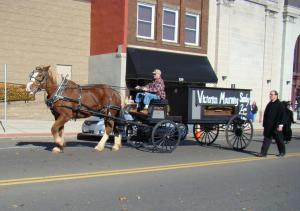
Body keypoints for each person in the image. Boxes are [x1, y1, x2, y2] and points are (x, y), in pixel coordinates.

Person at [257, 90, 286, 157]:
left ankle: (282, 152)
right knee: (266, 139)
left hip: (276, 126)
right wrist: (264, 124)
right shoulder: (269, 104)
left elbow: (282, 115)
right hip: (269, 126)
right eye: (270, 94)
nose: (270, 96)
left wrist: (281, 125)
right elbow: (265, 114)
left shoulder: (280, 104)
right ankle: (263, 153)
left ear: (276, 95)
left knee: (279, 140)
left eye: (272, 94)